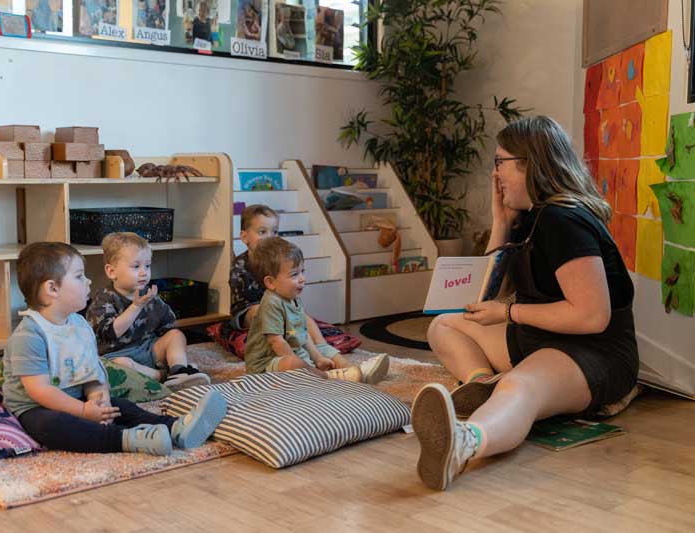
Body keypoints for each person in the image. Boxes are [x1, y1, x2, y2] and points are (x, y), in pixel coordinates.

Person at [413, 116, 639, 490]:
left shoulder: (563, 220)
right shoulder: (532, 218)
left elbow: (592, 316)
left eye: (500, 162)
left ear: (529, 164)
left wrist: (507, 313)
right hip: (541, 335)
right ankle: (481, 383)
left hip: (592, 351)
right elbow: (483, 299)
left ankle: (465, 442)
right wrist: (500, 223)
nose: (494, 173)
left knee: (521, 387)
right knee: (444, 325)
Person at [3, 242, 227, 455]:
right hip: (36, 408)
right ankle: (127, 440)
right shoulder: (29, 335)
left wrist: (100, 402)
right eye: (80, 276)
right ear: (52, 288)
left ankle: (176, 427)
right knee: (50, 425)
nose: (89, 281)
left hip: (79, 399)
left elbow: (92, 370)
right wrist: (83, 412)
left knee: (122, 407)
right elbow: (41, 391)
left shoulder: (79, 325)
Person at [244, 237, 388, 384]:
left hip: (293, 349)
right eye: (294, 275)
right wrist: (301, 363)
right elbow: (276, 342)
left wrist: (317, 358)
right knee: (292, 364)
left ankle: (352, 370)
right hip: (266, 365)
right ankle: (327, 377)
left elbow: (302, 335)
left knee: (322, 348)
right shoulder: (271, 303)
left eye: (302, 272)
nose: (302, 279)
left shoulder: (293, 298)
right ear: (270, 282)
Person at [87, 232, 210, 391]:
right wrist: (135, 307)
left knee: (176, 335)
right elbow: (109, 333)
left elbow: (168, 325)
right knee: (121, 366)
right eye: (136, 266)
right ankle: (163, 377)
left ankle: (179, 369)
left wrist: (168, 347)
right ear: (112, 272)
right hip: (116, 356)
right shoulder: (103, 300)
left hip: (147, 349)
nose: (144, 272)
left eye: (147, 265)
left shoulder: (149, 295)